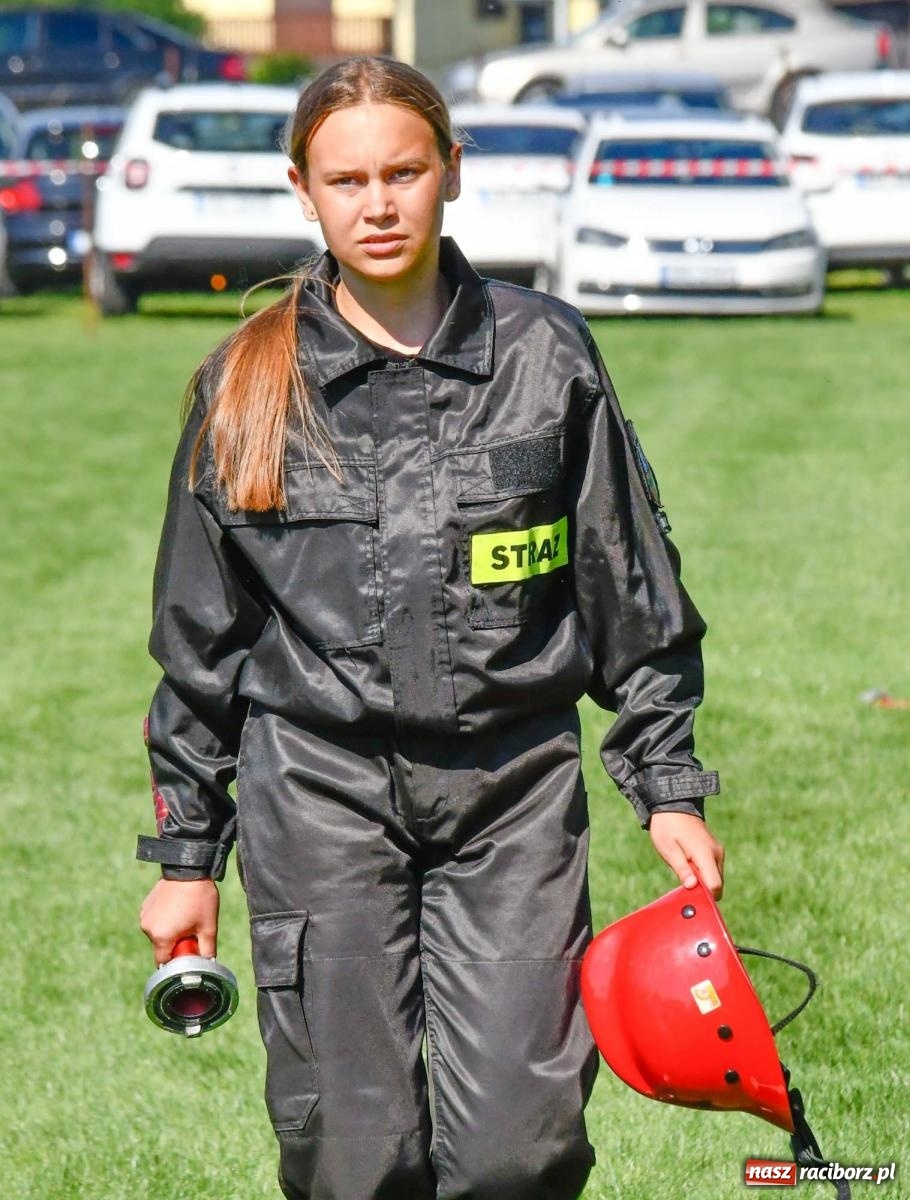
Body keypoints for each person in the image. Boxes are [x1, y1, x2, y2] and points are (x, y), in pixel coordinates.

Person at [137, 55, 725, 1200]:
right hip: (316, 797)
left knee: (521, 1148)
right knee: (352, 1154)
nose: (378, 202)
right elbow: (198, 644)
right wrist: (185, 858)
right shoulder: (243, 386)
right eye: (346, 178)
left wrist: (668, 784)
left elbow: (626, 581)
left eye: (403, 171)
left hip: (513, 792)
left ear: (453, 171)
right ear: (302, 189)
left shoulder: (549, 357)